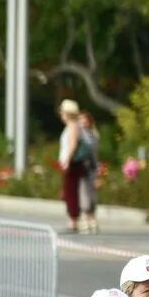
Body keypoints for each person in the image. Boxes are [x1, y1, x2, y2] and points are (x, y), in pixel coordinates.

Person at [58, 99, 92, 233]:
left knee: (70, 191)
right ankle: (74, 218)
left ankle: (73, 220)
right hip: (74, 163)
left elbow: (72, 145)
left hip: (73, 163)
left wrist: (66, 160)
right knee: (71, 190)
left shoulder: (72, 126)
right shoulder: (75, 125)